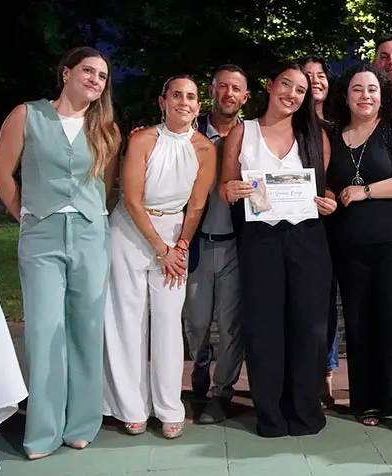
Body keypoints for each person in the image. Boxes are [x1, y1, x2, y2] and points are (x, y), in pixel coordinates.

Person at [0, 46, 121, 459]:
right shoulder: (27, 115)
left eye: (102, 76)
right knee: (44, 330)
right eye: (88, 71)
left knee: (86, 328)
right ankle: (43, 431)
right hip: (41, 235)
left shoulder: (106, 128)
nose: (95, 80)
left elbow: (105, 183)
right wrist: (24, 213)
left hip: (90, 234)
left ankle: (82, 423)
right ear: (66, 73)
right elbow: (2, 172)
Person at [219, 62, 337, 438]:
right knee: (263, 326)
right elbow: (224, 187)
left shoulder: (315, 135)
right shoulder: (243, 131)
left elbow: (324, 188)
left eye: (301, 90)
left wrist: (329, 201)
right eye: (286, 84)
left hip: (308, 238)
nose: (292, 94)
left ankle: (304, 411)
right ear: (270, 85)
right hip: (261, 240)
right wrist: (231, 190)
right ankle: (269, 414)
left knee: (309, 327)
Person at [103, 75, 216, 439]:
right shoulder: (142, 139)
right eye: (176, 95)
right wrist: (160, 249)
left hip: (175, 234)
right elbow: (132, 199)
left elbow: (196, 205)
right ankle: (130, 407)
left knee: (168, 320)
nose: (184, 102)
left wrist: (180, 247)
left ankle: (169, 406)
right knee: (127, 319)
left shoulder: (205, 149)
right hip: (130, 232)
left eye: (191, 97)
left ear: (198, 105)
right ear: (162, 102)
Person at [326, 63, 392, 436]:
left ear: (382, 96)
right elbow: (328, 182)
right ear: (345, 95)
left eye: (372, 89)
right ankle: (366, 400)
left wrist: (365, 191)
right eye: (357, 89)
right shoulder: (334, 136)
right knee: (359, 320)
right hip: (349, 244)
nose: (365, 96)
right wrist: (331, 196)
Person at [182, 64, 249, 424]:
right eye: (222, 86)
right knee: (195, 321)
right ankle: (199, 370)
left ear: (245, 96)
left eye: (236, 88)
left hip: (235, 246)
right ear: (211, 90)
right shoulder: (187, 135)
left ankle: (223, 391)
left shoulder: (252, 138)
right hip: (197, 245)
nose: (228, 94)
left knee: (230, 324)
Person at [301, 54, 341, 408]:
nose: (315, 80)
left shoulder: (341, 124)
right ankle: (304, 374)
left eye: (321, 74)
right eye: (307, 75)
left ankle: (326, 375)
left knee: (328, 305)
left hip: (339, 224)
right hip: (301, 227)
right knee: (309, 304)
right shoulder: (287, 124)